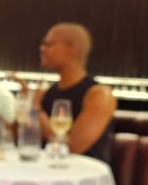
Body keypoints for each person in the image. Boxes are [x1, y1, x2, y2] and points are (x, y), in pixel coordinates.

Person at [37, 22, 116, 163]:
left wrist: (36, 109)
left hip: (85, 174)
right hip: (46, 170)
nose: (42, 49)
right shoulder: (47, 93)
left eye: (48, 44)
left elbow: (72, 147)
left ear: (70, 48)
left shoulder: (99, 95)